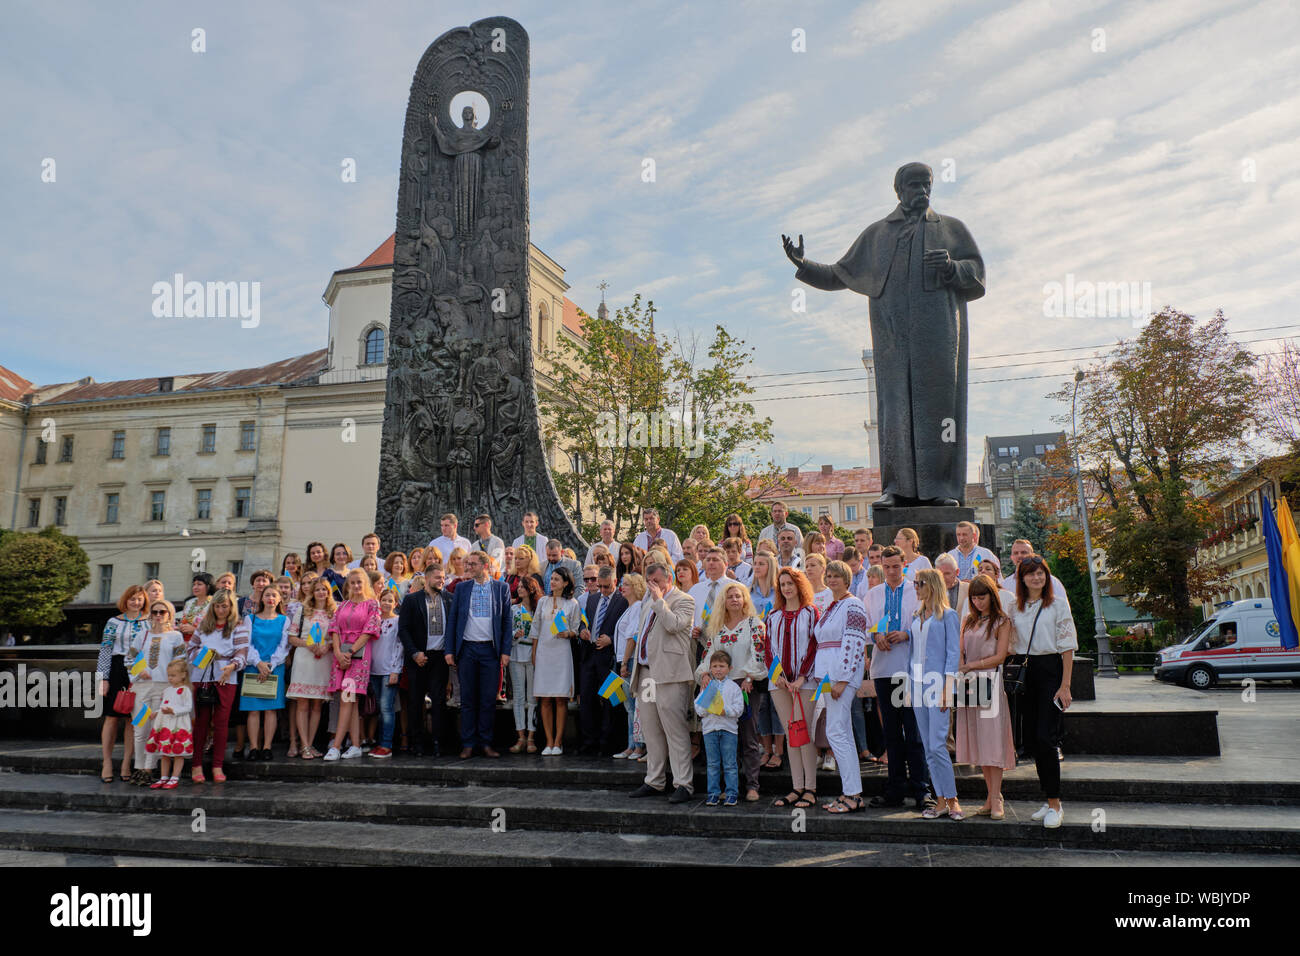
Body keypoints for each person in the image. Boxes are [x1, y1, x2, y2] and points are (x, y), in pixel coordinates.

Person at [1011, 555, 1076, 829]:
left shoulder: (1058, 605)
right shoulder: (1015, 607)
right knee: (1033, 741)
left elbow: (1067, 646)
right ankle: (1046, 799)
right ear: (1022, 578)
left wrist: (1065, 685)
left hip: (1051, 671)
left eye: (1041, 573)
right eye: (1031, 574)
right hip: (1026, 674)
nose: (1036, 578)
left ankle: (1055, 804)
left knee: (1046, 738)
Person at [863, 546, 929, 808]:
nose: (890, 571)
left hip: (910, 669)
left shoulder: (918, 591)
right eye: (886, 566)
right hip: (883, 669)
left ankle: (922, 790)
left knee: (913, 732)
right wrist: (875, 636)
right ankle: (895, 790)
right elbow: (866, 625)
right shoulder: (873, 594)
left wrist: (907, 634)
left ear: (905, 564)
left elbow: (928, 622)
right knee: (891, 733)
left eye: (895, 566)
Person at [628, 560, 697, 803]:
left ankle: (683, 784)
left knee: (675, 729)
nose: (653, 586)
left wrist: (659, 600)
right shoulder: (648, 603)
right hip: (646, 673)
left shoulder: (684, 600)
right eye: (650, 583)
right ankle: (655, 780)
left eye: (657, 581)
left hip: (669, 674)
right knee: (651, 729)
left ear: (669, 580)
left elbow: (674, 625)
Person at [695, 579, 767, 801]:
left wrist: (749, 676)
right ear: (723, 601)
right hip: (720, 686)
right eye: (730, 596)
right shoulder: (717, 628)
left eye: (738, 596)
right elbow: (708, 655)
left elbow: (760, 654)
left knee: (748, 736)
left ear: (745, 599)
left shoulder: (755, 624)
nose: (734, 600)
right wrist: (705, 673)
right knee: (726, 738)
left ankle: (752, 785)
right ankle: (730, 787)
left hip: (746, 685)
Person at [956, 574, 1015, 819]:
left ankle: (997, 796)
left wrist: (972, 665)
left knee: (992, 741)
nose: (979, 602)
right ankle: (990, 796)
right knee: (979, 742)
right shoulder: (969, 621)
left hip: (990, 680)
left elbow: (1001, 656)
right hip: (969, 683)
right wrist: (962, 669)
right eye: (975, 598)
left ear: (992, 595)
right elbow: (960, 651)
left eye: (983, 597)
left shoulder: (1002, 621)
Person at [445, 551, 513, 758]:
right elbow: (454, 619)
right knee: (467, 699)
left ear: (485, 566)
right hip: (467, 649)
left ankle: (485, 743)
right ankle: (468, 743)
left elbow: (507, 621)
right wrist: (449, 650)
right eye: (468, 564)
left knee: (487, 699)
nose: (468, 568)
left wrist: (505, 651)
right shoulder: (463, 588)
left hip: (490, 651)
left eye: (473, 564)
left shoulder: (501, 588)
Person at [907, 568, 963, 820]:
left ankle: (953, 800)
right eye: (915, 583)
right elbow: (913, 654)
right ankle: (940, 800)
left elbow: (953, 654)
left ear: (931, 585)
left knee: (938, 745)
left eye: (919, 583)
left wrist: (947, 689)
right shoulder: (915, 615)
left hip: (938, 686)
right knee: (928, 746)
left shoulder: (948, 616)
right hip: (917, 686)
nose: (916, 587)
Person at [815, 560, 869, 813]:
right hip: (829, 676)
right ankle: (851, 792)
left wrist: (843, 679)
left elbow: (855, 643)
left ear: (848, 580)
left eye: (838, 575)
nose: (833, 579)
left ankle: (853, 794)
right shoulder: (830, 606)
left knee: (837, 732)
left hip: (840, 677)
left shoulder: (854, 604)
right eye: (830, 575)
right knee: (841, 732)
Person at [767, 567, 819, 808]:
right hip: (779, 683)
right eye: (783, 584)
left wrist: (801, 677)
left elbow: (813, 646)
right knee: (791, 734)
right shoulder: (773, 615)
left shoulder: (811, 612)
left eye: (790, 583)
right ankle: (796, 786)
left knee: (804, 732)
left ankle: (811, 788)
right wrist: (776, 675)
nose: (787, 588)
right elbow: (767, 649)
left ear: (799, 585)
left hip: (804, 683)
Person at [188, 589, 248, 783]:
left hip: (226, 676)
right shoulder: (203, 626)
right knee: (202, 721)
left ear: (231, 607)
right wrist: (205, 655)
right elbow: (190, 650)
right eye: (217, 605)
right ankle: (196, 764)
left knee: (221, 723)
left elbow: (241, 654)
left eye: (225, 606)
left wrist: (232, 666)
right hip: (203, 675)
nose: (221, 609)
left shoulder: (239, 627)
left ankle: (217, 765)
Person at [128, 600, 187, 785]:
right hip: (142, 687)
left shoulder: (176, 636)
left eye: (162, 612)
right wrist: (138, 670)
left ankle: (148, 769)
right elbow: (128, 659)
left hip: (163, 688)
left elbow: (180, 662)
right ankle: (138, 767)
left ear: (169, 614)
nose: (158, 615)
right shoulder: (142, 635)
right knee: (140, 728)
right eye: (155, 612)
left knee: (157, 729)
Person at [397, 560, 453, 757]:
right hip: (417, 658)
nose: (442, 581)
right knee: (415, 702)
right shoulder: (412, 600)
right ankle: (417, 743)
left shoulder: (449, 599)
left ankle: (438, 742)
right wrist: (414, 653)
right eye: (438, 577)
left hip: (439, 658)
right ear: (427, 578)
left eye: (444, 578)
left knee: (439, 701)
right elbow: (403, 629)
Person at [324, 569, 380, 760]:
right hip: (340, 656)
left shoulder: (372, 604)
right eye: (353, 582)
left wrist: (349, 652)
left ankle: (337, 746)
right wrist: (339, 653)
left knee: (347, 699)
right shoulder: (343, 605)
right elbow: (334, 629)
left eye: (359, 582)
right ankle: (356, 745)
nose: (356, 586)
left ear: (365, 584)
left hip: (359, 656)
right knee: (351, 701)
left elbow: (369, 631)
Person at [97, 584, 150, 783]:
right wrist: (103, 678)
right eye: (132, 598)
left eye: (140, 599)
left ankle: (127, 762)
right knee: (111, 716)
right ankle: (107, 761)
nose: (136, 602)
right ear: (125, 600)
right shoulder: (113, 622)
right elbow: (105, 651)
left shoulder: (149, 622)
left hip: (139, 670)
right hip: (118, 668)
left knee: (131, 718)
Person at [578, 565, 628, 755]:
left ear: (615, 582)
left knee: (611, 702)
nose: (603, 590)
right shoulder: (591, 599)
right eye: (600, 586)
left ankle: (608, 742)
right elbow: (584, 620)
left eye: (607, 587)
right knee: (588, 700)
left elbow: (627, 628)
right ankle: (589, 741)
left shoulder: (622, 601)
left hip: (609, 658)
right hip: (589, 655)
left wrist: (611, 640)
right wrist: (583, 630)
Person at [531, 565, 580, 755]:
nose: (552, 582)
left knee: (561, 699)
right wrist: (534, 652)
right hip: (544, 652)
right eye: (551, 579)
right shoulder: (543, 601)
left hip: (562, 653)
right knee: (544, 698)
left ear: (566, 582)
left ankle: (559, 742)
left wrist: (568, 633)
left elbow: (576, 628)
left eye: (557, 579)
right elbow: (535, 628)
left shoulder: (572, 603)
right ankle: (549, 742)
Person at [240, 584, 291, 760]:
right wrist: (259, 662)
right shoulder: (251, 619)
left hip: (275, 668)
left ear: (279, 600)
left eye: (274, 595)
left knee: (271, 710)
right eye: (267, 595)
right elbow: (247, 643)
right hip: (254, 666)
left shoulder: (284, 620)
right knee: (253, 710)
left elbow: (284, 645)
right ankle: (254, 747)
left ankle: (267, 746)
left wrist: (271, 664)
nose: (270, 598)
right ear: (261, 598)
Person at [288, 576, 335, 759]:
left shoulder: (333, 612)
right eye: (317, 589)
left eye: (324, 589)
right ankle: (305, 746)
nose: (321, 592)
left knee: (317, 705)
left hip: (323, 659)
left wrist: (328, 645)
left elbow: (336, 637)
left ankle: (310, 743)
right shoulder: (303, 610)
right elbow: (292, 637)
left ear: (328, 592)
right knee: (302, 703)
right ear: (312, 592)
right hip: (305, 658)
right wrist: (307, 644)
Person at [696, 649, 745, 806]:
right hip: (710, 730)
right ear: (710, 668)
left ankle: (731, 793)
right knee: (713, 763)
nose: (718, 669)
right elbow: (698, 707)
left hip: (728, 730)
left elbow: (739, 708)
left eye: (722, 666)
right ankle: (713, 793)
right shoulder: (707, 687)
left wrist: (726, 711)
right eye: (715, 666)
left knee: (730, 763)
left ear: (729, 668)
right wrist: (706, 709)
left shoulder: (733, 687)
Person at [145, 658, 195, 789]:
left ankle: (174, 777)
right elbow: (164, 705)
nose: (170, 678)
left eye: (173, 675)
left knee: (178, 753)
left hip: (179, 725)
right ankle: (163, 777)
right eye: (169, 675)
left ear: (183, 675)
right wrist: (156, 712)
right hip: (166, 724)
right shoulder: (167, 690)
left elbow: (188, 707)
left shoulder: (185, 690)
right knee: (165, 753)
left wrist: (174, 711)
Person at [366, 588, 404, 757]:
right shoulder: (375, 621)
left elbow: (399, 646)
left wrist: (396, 670)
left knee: (386, 707)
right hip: (374, 670)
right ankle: (380, 742)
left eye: (390, 600)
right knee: (379, 709)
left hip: (390, 670)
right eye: (384, 600)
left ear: (395, 604)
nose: (386, 603)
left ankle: (387, 745)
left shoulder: (398, 621)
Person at [614, 573, 647, 760]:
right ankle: (631, 744)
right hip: (623, 659)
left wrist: (625, 661)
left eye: (626, 584)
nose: (622, 587)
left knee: (634, 706)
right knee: (629, 706)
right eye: (622, 584)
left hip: (631, 659)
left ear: (636, 587)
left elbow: (632, 637)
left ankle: (638, 746)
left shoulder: (637, 606)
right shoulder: (629, 608)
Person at [509, 575, 543, 754]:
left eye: (523, 587)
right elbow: (506, 631)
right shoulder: (514, 609)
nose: (520, 589)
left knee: (532, 698)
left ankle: (531, 736)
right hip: (516, 655)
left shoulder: (539, 609)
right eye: (519, 587)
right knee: (519, 698)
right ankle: (520, 735)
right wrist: (515, 634)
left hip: (533, 656)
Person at [1000, 539, 1066, 605]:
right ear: (1012, 557)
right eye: (1016, 553)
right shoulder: (1005, 584)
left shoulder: (1052, 582)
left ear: (1032, 555)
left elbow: (1062, 608)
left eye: (1024, 552)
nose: (1019, 556)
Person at [178, 573, 215, 645]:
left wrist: (195, 630)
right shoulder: (189, 603)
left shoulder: (214, 603)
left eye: (199, 584)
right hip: (186, 643)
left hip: (203, 643)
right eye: (194, 584)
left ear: (208, 586)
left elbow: (216, 628)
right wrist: (181, 627)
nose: (195, 587)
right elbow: (183, 620)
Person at [935, 554, 970, 619]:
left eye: (947, 573)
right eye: (939, 574)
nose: (943, 578)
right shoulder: (932, 591)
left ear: (957, 572)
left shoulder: (968, 589)